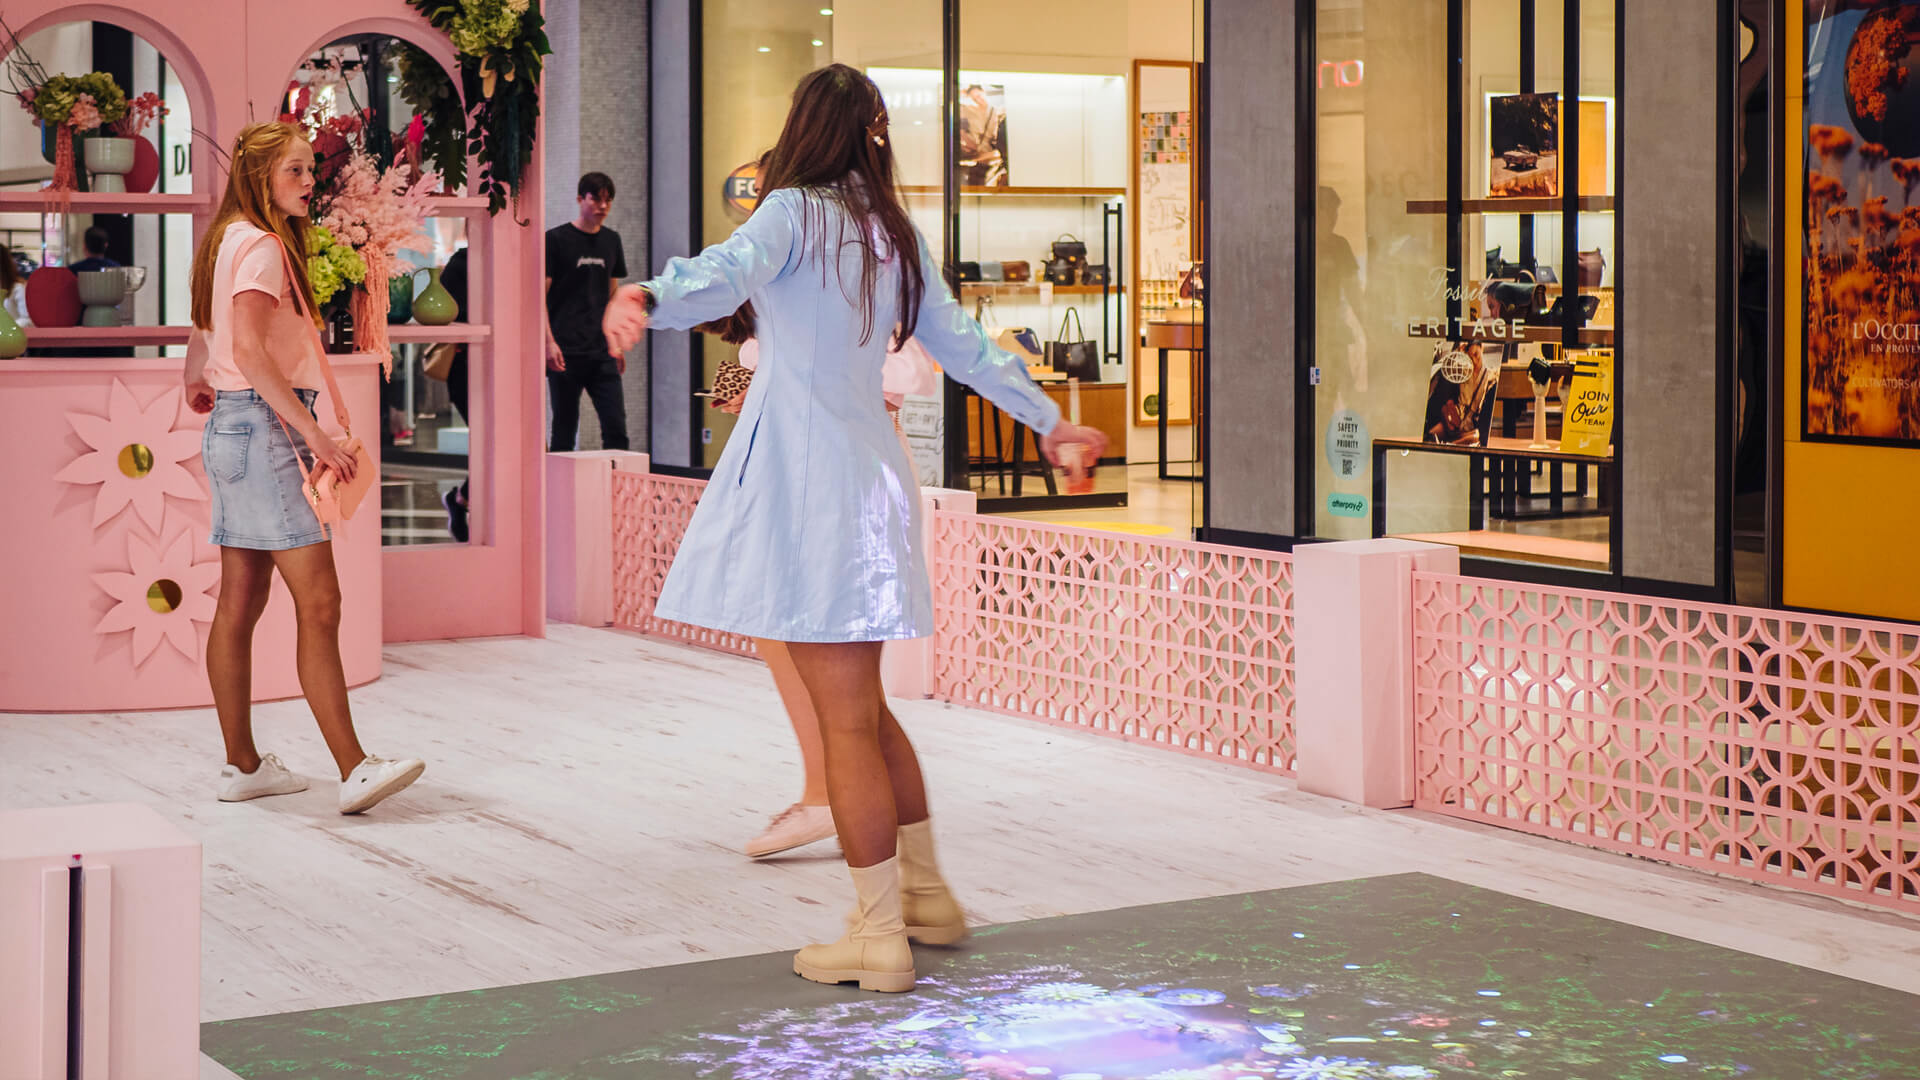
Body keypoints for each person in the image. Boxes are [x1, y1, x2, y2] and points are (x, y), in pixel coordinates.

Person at [604, 64, 1108, 993]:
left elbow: (724, 277)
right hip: (872, 481)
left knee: (844, 723)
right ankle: (921, 897)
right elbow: (967, 346)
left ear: (802, 128)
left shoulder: (792, 212)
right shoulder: (893, 234)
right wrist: (1050, 420)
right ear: (874, 130)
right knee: (866, 711)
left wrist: (645, 294)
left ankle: (879, 934)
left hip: (810, 491)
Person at [182, 120, 426, 814]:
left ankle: (243, 766)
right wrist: (317, 435)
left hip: (234, 428)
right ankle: (353, 768)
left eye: (308, 171)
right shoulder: (260, 247)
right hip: (264, 433)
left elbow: (207, 333)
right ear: (260, 176)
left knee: (240, 603)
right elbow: (255, 353)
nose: (308, 182)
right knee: (319, 603)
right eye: (294, 171)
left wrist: (196, 378)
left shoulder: (223, 239)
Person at [698, 310, 938, 861]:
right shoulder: (816, 287)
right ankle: (846, 806)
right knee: (796, 642)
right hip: (805, 471)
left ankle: (837, 805)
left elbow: (888, 389)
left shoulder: (860, 295)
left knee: (835, 665)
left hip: (842, 478)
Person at [545, 172, 629, 452]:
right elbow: (538, 298)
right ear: (581, 199)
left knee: (616, 429)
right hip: (565, 352)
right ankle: (556, 495)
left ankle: (616, 493)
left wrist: (617, 343)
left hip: (601, 352)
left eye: (608, 200)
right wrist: (548, 342)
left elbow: (614, 294)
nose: (602, 206)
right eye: (595, 199)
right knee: (564, 429)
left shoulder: (611, 241)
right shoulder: (556, 240)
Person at [438, 246, 473, 541]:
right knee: (494, 442)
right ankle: (461, 499)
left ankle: (461, 499)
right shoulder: (462, 262)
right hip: (465, 369)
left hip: (508, 368)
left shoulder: (515, 262)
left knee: (507, 444)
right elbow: (444, 309)